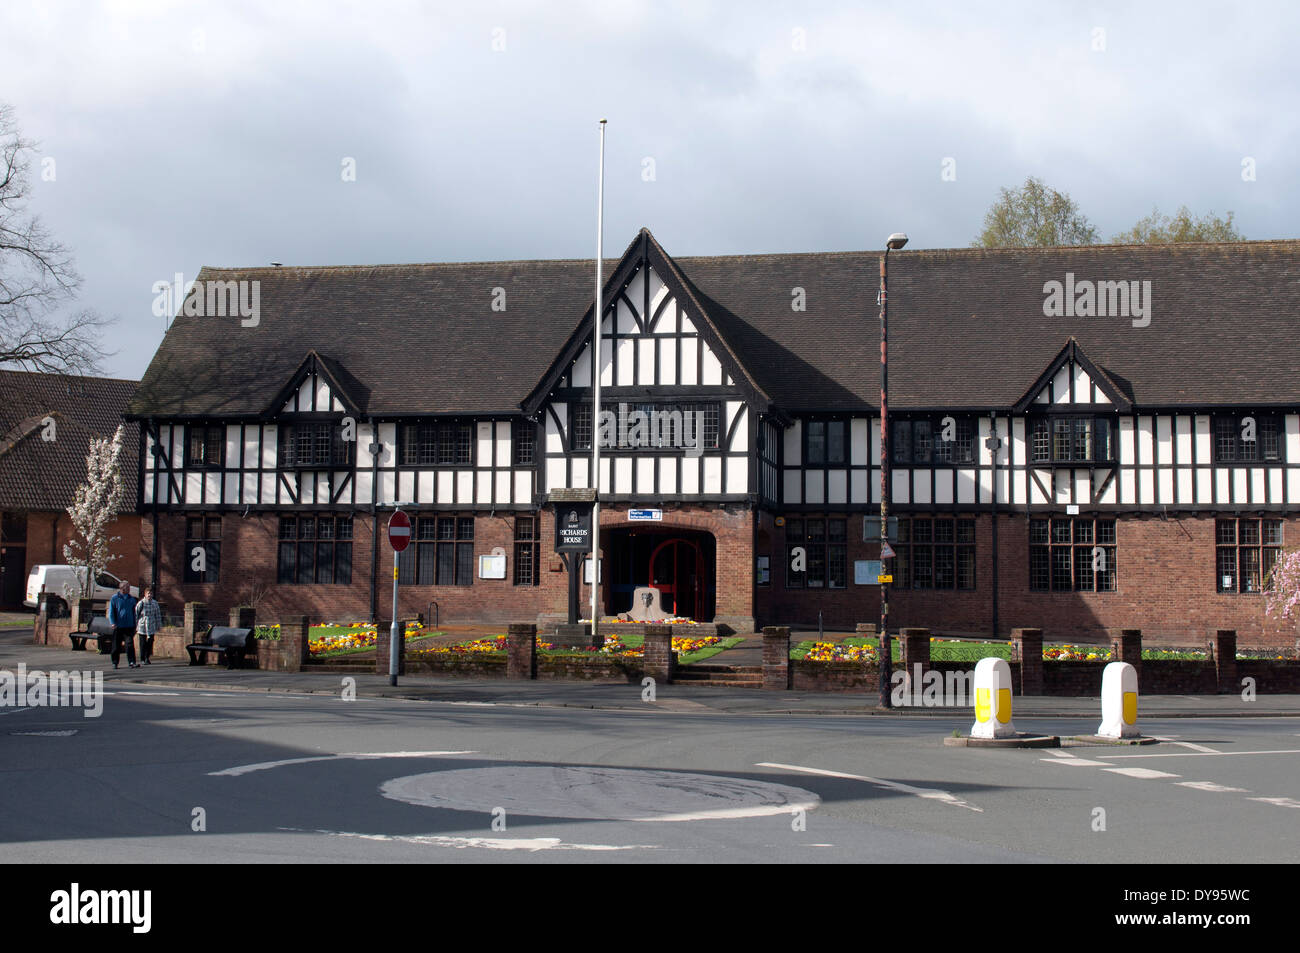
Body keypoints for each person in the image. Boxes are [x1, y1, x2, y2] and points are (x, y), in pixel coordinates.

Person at [108, 580, 139, 669]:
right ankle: (115, 662)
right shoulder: (114, 598)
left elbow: (135, 613)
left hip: (129, 626)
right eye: (127, 587)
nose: (129, 589)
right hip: (118, 626)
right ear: (122, 588)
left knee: (129, 644)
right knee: (116, 646)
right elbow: (111, 612)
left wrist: (135, 624)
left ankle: (132, 661)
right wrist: (113, 622)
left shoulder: (132, 599)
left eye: (129, 587)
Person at [135, 586, 161, 665]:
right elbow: (136, 614)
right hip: (142, 625)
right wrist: (135, 625)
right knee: (142, 643)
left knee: (150, 642)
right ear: (145, 594)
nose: (149, 595)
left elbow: (158, 614)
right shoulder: (141, 603)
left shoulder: (155, 603)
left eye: (151, 593)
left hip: (151, 624)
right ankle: (142, 658)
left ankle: (147, 657)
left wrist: (158, 625)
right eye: (148, 593)